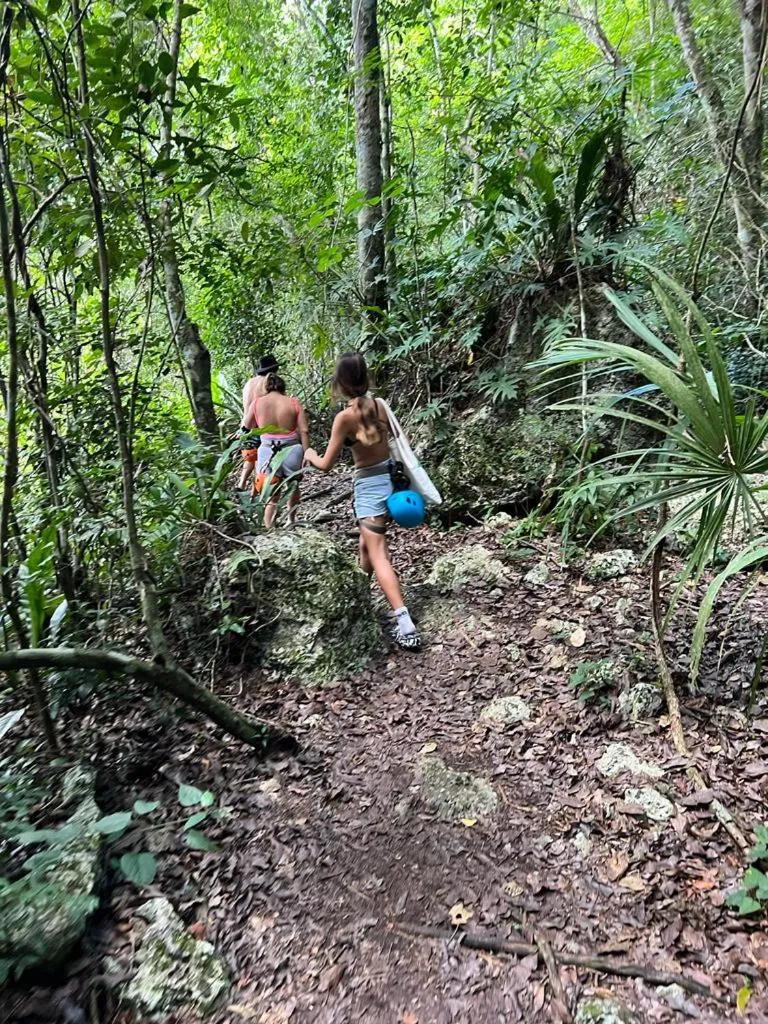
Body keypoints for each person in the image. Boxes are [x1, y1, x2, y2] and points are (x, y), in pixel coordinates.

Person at [302, 352, 421, 651]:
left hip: (368, 488)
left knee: (379, 553)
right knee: (365, 546)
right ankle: (361, 597)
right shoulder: (380, 405)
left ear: (340, 383)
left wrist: (309, 455)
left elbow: (326, 464)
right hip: (391, 483)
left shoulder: (344, 418)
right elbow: (400, 442)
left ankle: (404, 622)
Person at [241, 373, 309, 527]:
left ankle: (269, 526)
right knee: (293, 486)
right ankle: (291, 520)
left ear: (266, 387)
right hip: (292, 449)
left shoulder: (257, 403)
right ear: (283, 387)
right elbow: (304, 430)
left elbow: (247, 427)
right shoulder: (293, 403)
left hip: (267, 450)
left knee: (272, 492)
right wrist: (307, 452)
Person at [239, 355, 279, 489]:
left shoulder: (248, 383)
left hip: (245, 426)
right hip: (261, 428)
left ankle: (242, 483)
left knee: (250, 457)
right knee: (261, 461)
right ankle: (256, 492)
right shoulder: (268, 384)